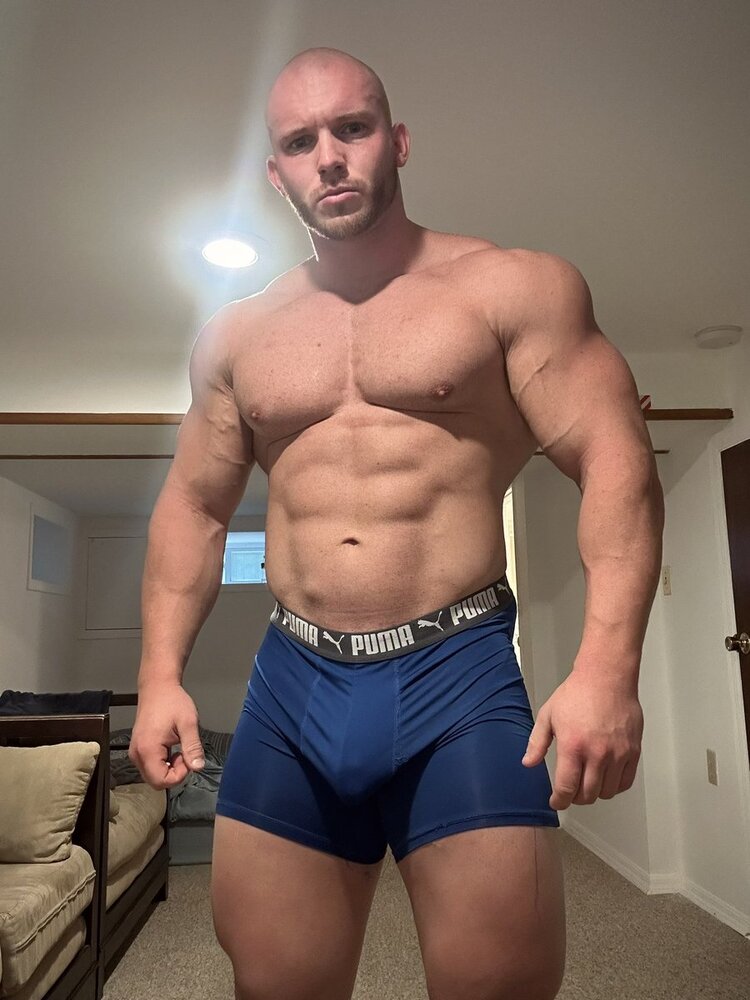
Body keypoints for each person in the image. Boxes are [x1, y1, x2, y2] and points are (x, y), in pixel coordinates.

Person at [129, 45, 665, 1000]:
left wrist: (607, 670)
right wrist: (159, 674)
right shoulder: (236, 336)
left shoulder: (514, 288)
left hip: (459, 675)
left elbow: (615, 460)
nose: (329, 156)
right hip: (292, 683)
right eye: (301, 141)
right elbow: (195, 506)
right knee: (274, 986)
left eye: (353, 127)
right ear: (276, 173)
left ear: (398, 140)